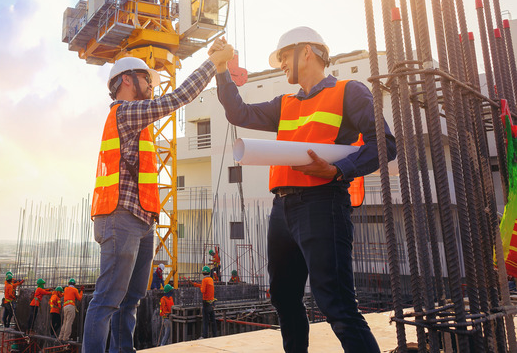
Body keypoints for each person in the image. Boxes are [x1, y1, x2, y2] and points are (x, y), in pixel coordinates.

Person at [215, 26, 396, 352]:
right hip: (282, 210)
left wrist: (339, 169)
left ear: (307, 52)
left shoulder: (348, 92)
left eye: (284, 57)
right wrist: (220, 71)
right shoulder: (284, 103)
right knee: (284, 298)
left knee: (336, 304)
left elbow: (384, 144)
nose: (281, 64)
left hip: (322, 203)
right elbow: (238, 112)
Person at [83, 40, 234, 353]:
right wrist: (212, 63)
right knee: (108, 299)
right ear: (127, 80)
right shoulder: (125, 113)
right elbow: (178, 98)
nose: (151, 84)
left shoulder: (138, 119)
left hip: (142, 218)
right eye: (146, 79)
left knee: (131, 300)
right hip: (119, 217)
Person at [191, 266, 217, 338]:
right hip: (212, 303)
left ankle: (205, 336)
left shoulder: (204, 280)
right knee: (213, 320)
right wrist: (195, 284)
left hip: (206, 303)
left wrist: (199, 286)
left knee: (205, 321)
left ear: (203, 273)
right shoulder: (211, 279)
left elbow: (203, 290)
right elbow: (204, 287)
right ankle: (215, 335)